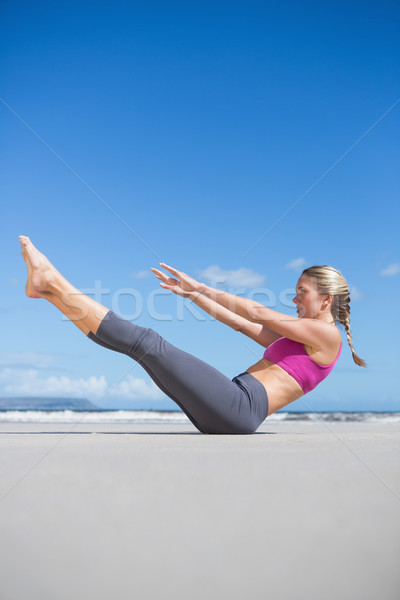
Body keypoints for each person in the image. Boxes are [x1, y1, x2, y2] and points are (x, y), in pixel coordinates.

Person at [18, 235, 366, 434]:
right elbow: (241, 323)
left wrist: (202, 285)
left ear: (326, 299)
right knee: (142, 350)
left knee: (149, 343)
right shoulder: (302, 342)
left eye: (301, 292)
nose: (294, 298)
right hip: (232, 407)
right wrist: (194, 295)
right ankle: (49, 291)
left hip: (240, 406)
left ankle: (53, 281)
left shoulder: (325, 336)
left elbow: (258, 312)